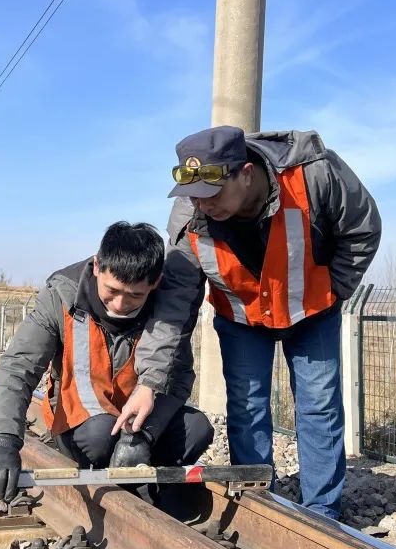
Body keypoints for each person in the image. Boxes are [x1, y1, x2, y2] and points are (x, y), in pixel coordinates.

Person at [116, 128, 381, 520]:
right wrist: (150, 382)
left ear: (244, 173)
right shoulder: (190, 217)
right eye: (194, 197)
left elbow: (362, 228)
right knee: (247, 406)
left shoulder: (313, 174)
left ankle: (322, 511)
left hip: (312, 313)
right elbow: (174, 307)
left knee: (319, 406)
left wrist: (334, 288)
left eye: (213, 194)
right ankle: (258, 499)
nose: (203, 206)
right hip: (240, 318)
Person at [0, 221, 214, 503]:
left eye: (135, 295)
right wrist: (2, 442)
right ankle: (123, 485)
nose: (120, 304)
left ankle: (139, 483)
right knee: (100, 436)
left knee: (196, 429)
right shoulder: (61, 296)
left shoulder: (167, 308)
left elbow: (178, 378)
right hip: (82, 424)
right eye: (112, 290)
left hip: (138, 422)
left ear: (155, 283)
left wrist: (144, 434)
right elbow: (17, 368)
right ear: (97, 267)